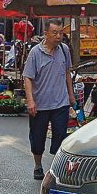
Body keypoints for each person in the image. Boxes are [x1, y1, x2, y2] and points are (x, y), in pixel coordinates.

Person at [23, 18, 75, 180]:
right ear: (46, 33)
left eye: (61, 33)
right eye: (55, 33)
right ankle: (38, 165)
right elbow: (27, 77)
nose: (59, 36)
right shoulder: (35, 53)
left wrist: (71, 95)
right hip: (41, 104)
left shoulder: (64, 49)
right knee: (37, 137)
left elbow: (67, 73)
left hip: (61, 102)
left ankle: (55, 167)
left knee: (60, 135)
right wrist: (30, 101)